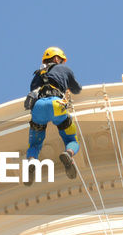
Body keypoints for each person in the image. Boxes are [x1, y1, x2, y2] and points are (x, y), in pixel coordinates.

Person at [25, 46, 82, 181]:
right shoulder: (65, 69)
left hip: (38, 107)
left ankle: (32, 160)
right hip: (57, 105)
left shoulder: (38, 73)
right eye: (61, 60)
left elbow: (33, 89)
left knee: (34, 145)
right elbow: (77, 89)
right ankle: (68, 154)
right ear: (57, 58)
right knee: (72, 140)